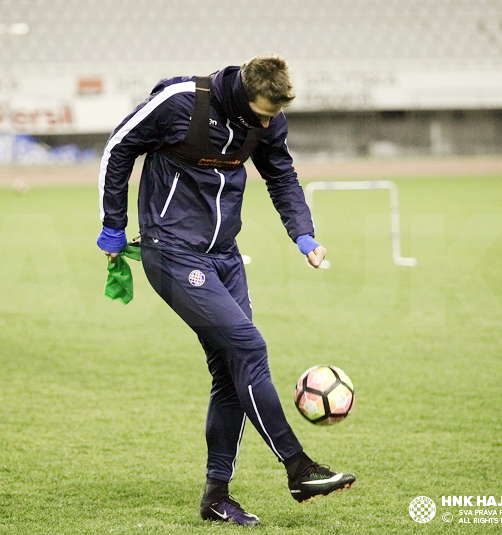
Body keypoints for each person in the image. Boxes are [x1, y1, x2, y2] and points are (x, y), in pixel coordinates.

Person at [96, 53, 355, 526]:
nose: (268, 123)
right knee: (249, 346)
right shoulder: (181, 103)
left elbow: (281, 173)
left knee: (232, 375)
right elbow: (118, 148)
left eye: (274, 116)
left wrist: (303, 234)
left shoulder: (268, 118)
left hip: (225, 256)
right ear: (242, 94)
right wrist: (113, 227)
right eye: (262, 114)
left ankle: (216, 497)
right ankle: (299, 468)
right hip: (171, 253)